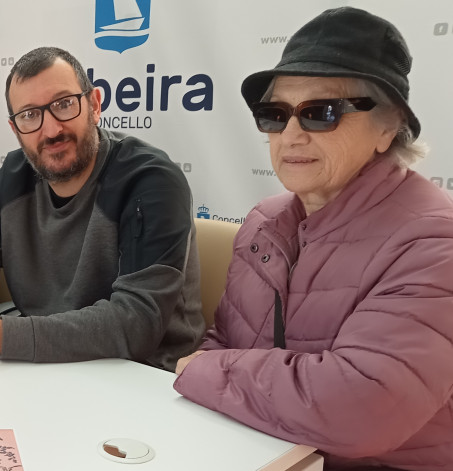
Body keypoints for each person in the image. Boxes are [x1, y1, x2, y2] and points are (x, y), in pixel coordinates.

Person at [173, 8, 453, 470]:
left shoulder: (435, 240)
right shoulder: (264, 220)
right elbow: (223, 339)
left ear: (388, 125)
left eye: (321, 113)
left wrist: (205, 372)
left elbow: (362, 409)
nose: (291, 135)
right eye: (274, 114)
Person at [0, 46, 204, 369]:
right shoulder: (13, 177)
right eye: (30, 115)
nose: (51, 129)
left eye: (64, 104)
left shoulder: (150, 180)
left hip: (144, 376)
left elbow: (137, 322)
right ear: (15, 130)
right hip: (40, 363)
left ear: (94, 105)